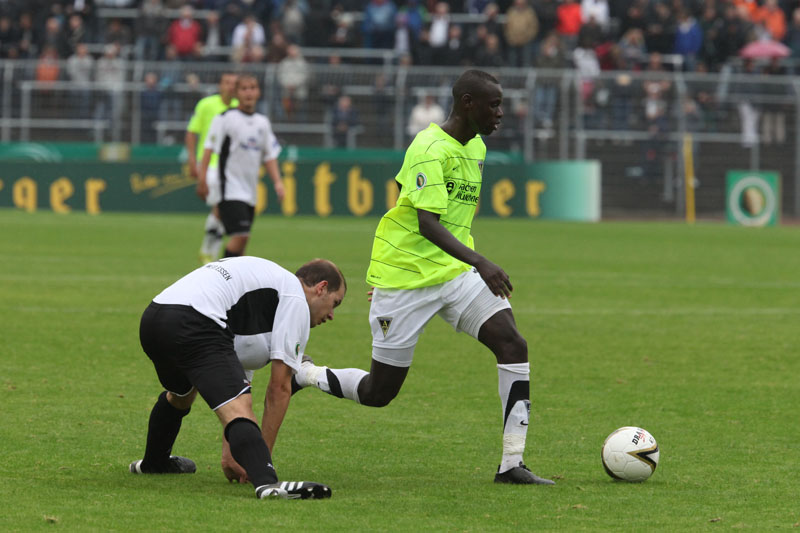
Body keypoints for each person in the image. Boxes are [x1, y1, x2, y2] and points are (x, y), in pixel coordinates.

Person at [293, 70, 555, 486]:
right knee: (379, 393)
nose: (500, 113)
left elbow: (421, 200)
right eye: (493, 105)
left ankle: (512, 463)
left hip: (454, 273)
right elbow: (426, 222)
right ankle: (305, 374)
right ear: (467, 103)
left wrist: (471, 265)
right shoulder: (428, 147)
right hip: (407, 279)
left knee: (512, 343)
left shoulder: (477, 147)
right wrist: (478, 262)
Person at [129, 256, 346, 500]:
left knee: (181, 395)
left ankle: (154, 462)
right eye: (335, 303)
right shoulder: (294, 296)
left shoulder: (264, 288)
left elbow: (237, 367)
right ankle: (267, 484)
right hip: (194, 320)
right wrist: (260, 461)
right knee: (238, 408)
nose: (331, 315)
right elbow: (280, 387)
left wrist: (232, 454)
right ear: (321, 288)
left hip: (155, 317)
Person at [197, 74, 285, 258]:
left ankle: (229, 272)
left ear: (258, 92)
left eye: (252, 88)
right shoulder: (225, 118)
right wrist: (202, 179)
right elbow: (209, 148)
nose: (248, 93)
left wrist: (278, 182)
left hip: (249, 191)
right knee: (241, 236)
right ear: (236, 93)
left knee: (242, 244)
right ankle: (219, 270)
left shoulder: (262, 123)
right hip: (228, 188)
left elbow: (269, 155)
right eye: (244, 89)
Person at [185, 72, 238, 265]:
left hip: (232, 166)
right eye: (227, 82)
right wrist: (192, 161)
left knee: (225, 208)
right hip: (210, 164)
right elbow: (192, 133)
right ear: (220, 85)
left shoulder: (239, 108)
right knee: (222, 205)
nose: (230, 86)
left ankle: (209, 251)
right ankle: (210, 250)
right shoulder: (207, 105)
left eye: (234, 83)